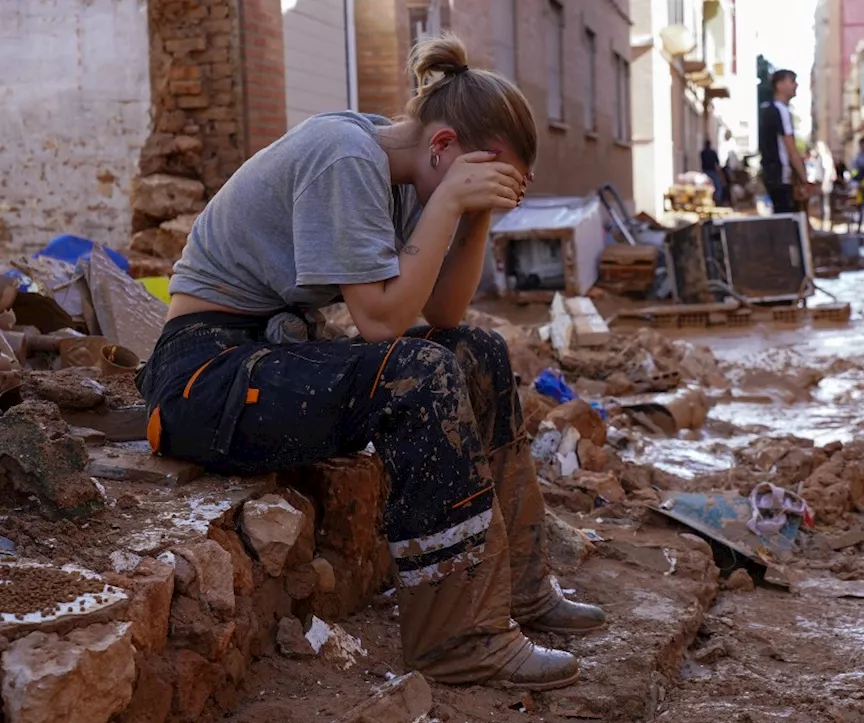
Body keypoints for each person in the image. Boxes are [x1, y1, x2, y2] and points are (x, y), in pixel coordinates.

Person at [137, 33, 605, 691]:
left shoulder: (413, 174)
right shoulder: (345, 158)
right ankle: (458, 640)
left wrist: (471, 217)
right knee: (418, 373)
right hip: (203, 377)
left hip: (272, 353)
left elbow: (443, 315)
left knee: (477, 352)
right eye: (480, 172)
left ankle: (522, 589)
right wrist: (448, 200)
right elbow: (381, 322)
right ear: (442, 145)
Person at [759, 69, 811, 214]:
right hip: (781, 175)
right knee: (788, 220)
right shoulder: (781, 110)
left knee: (781, 217)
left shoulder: (769, 110)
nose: (796, 85)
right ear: (780, 85)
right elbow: (790, 147)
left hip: (772, 174)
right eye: (792, 81)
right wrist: (803, 177)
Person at [700, 139, 725, 205]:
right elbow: (717, 163)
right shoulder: (712, 152)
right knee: (718, 186)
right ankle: (717, 200)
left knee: (706, 186)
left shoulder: (703, 153)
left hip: (705, 171)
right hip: (711, 171)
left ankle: (711, 200)